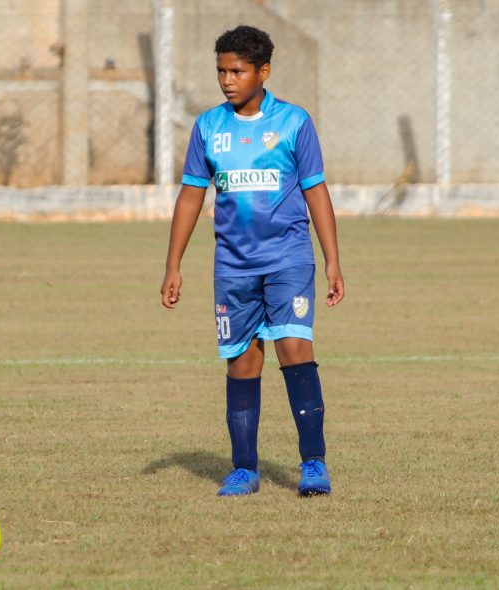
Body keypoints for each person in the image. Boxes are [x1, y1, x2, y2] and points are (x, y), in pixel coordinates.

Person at [160, 25, 345, 497]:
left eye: (237, 71)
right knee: (242, 364)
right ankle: (244, 469)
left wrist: (332, 261)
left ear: (263, 72)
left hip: (288, 259)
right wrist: (173, 265)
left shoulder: (294, 123)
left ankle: (313, 464)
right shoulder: (208, 128)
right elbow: (189, 198)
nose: (227, 79)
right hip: (234, 267)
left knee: (295, 351)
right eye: (221, 70)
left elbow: (316, 191)